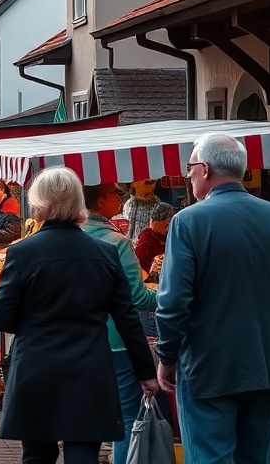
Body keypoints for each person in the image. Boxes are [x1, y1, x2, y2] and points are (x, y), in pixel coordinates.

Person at [0, 167, 157, 464]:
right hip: (89, 366)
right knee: (83, 452)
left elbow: (1, 318)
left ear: (38, 203)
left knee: (37, 455)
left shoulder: (23, 253)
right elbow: (127, 318)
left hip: (36, 365)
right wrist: (146, 372)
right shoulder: (105, 252)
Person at [157, 134, 270, 463]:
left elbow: (173, 303)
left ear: (205, 169)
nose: (188, 176)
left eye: (190, 168)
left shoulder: (189, 221)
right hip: (268, 364)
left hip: (209, 365)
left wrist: (167, 357)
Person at [80, 182, 158, 464]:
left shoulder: (71, 235)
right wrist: (168, 294)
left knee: (86, 417)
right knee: (126, 416)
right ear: (101, 200)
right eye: (115, 193)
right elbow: (136, 295)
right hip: (115, 341)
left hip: (78, 342)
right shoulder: (116, 242)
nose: (120, 197)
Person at [134, 201, 173, 275]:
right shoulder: (145, 240)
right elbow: (139, 266)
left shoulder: (173, 236)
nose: (168, 228)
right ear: (154, 222)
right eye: (167, 224)